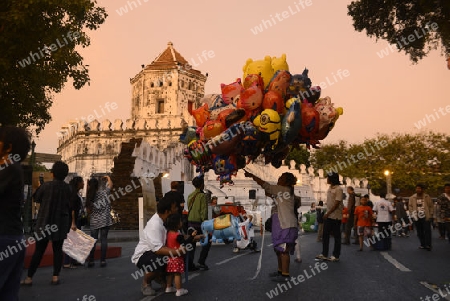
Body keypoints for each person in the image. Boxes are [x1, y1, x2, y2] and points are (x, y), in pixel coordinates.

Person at [22, 161, 72, 286]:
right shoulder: (68, 188)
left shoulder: (46, 186)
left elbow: (37, 198)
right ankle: (55, 276)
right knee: (58, 250)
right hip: (60, 222)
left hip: (45, 222)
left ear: (53, 173)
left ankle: (29, 278)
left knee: (39, 251)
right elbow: (70, 204)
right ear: (65, 174)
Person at [244, 170, 298, 282]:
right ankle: (280, 271)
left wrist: (252, 175)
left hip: (285, 225)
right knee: (278, 249)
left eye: (281, 176)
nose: (279, 177)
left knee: (283, 249)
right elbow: (270, 193)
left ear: (286, 181)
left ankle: (285, 275)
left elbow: (266, 185)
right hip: (281, 224)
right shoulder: (284, 191)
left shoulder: (283, 189)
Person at [0, 126, 30, 299]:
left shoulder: (10, 168)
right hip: (11, 237)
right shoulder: (13, 169)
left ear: (8, 147)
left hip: (4, 237)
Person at [131, 196, 181, 297]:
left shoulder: (166, 221)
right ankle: (146, 283)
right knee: (162, 260)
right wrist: (177, 251)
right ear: (167, 211)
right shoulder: (155, 225)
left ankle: (161, 277)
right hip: (144, 255)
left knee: (175, 259)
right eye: (174, 208)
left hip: (155, 252)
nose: (176, 209)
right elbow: (158, 249)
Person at [165, 213, 202, 296]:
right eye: (181, 221)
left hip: (170, 257)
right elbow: (186, 243)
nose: (182, 222)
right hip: (177, 257)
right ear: (177, 224)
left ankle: (168, 287)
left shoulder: (169, 233)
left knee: (170, 273)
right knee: (177, 274)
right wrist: (192, 237)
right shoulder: (178, 235)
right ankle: (179, 290)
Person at [86, 176, 114, 267]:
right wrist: (108, 178)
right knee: (104, 240)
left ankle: (91, 261)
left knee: (93, 241)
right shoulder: (104, 193)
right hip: (105, 220)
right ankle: (102, 261)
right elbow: (110, 185)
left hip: (94, 221)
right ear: (98, 185)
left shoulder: (90, 197)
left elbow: (88, 211)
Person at [316, 172, 344, 262]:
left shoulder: (338, 189)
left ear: (332, 179)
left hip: (335, 216)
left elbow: (337, 203)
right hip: (329, 214)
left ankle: (336, 255)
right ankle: (324, 254)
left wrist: (328, 213)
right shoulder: (330, 188)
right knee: (325, 235)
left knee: (336, 236)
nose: (327, 179)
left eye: (328, 178)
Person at [186, 176, 210, 271]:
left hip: (190, 223)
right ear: (201, 185)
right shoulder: (202, 196)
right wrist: (206, 223)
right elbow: (203, 212)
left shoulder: (190, 195)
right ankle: (201, 261)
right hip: (199, 223)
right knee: (207, 241)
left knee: (191, 243)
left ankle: (189, 264)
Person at [63, 176, 85, 268]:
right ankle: (67, 262)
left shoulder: (76, 193)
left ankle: (73, 260)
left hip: (77, 220)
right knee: (71, 241)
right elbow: (72, 209)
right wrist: (73, 223)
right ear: (78, 183)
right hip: (74, 221)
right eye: (82, 182)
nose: (83, 183)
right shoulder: (73, 195)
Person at [409, 184, 434, 250]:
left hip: (425, 216)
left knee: (427, 231)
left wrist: (431, 214)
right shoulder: (412, 197)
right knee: (419, 231)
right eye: (417, 188)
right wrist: (412, 214)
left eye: (419, 188)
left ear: (422, 189)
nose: (418, 189)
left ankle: (428, 245)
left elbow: (431, 206)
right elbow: (410, 206)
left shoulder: (427, 196)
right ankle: (423, 244)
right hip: (417, 216)